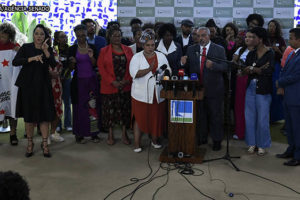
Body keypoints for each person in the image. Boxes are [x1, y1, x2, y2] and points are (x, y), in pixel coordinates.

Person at [13, 24, 56, 158]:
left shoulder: (48, 49)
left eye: (41, 34)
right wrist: (31, 59)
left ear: (45, 36)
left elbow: (53, 65)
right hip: (28, 87)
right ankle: (30, 144)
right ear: (33, 35)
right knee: (29, 117)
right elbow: (16, 61)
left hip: (43, 87)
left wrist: (46, 51)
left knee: (44, 117)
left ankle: (44, 144)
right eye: (36, 33)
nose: (39, 36)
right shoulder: (26, 47)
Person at [181, 27, 228, 151]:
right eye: (198, 36)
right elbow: (187, 68)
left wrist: (213, 65)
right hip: (197, 89)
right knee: (200, 115)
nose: (200, 38)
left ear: (209, 36)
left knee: (215, 116)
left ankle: (217, 140)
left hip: (214, 89)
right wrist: (183, 63)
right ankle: (202, 138)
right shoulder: (191, 49)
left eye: (203, 35)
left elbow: (225, 67)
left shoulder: (219, 49)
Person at [129, 30, 171, 153]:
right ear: (142, 45)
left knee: (156, 118)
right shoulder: (136, 57)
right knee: (139, 118)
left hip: (157, 94)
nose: (150, 47)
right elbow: (134, 74)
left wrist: (166, 74)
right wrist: (149, 69)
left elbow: (168, 69)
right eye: (148, 45)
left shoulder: (161, 55)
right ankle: (137, 144)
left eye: (152, 45)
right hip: (140, 95)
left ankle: (154, 140)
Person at [97, 27, 133, 145]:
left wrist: (126, 80)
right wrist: (113, 82)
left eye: (119, 35)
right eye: (114, 36)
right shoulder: (103, 51)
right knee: (110, 112)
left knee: (124, 110)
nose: (117, 38)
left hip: (125, 85)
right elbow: (101, 69)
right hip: (109, 86)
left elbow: (132, 66)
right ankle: (110, 134)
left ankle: (124, 134)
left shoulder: (128, 50)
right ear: (109, 37)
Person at [243, 27, 274, 155]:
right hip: (250, 87)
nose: (251, 39)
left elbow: (269, 71)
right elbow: (247, 69)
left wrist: (256, 70)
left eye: (253, 37)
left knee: (262, 119)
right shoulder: (251, 54)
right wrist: (256, 69)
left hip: (263, 89)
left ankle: (262, 144)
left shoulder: (270, 53)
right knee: (249, 117)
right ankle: (252, 143)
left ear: (260, 39)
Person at [68, 24, 100, 144]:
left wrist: (91, 57)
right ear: (75, 36)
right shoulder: (72, 49)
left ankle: (94, 133)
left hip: (91, 82)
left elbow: (95, 64)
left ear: (87, 35)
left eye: (83, 35)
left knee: (93, 107)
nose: (81, 38)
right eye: (78, 36)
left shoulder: (92, 47)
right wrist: (72, 62)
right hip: (78, 83)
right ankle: (79, 134)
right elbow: (71, 68)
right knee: (79, 109)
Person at [276, 28, 300, 166]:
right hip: (289, 96)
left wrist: (280, 82)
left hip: (296, 97)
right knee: (290, 127)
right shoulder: (293, 53)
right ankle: (291, 149)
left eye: (291, 38)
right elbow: (285, 70)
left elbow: (296, 75)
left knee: (297, 128)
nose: (288, 40)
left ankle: (298, 155)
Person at [232, 31, 255, 140]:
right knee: (240, 106)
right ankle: (240, 131)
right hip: (241, 79)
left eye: (250, 37)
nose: (247, 39)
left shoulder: (258, 51)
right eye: (246, 37)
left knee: (251, 107)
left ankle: (251, 133)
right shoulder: (240, 50)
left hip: (253, 80)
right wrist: (237, 64)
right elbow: (233, 62)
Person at [0, 22, 20, 145]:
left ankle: (13, 134)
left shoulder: (15, 47)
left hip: (11, 84)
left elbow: (22, 62)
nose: (1, 38)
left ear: (10, 36)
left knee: (13, 110)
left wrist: (20, 50)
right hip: (0, 84)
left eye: (3, 36)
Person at [45, 28, 64, 143]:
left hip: (56, 84)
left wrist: (58, 72)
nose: (49, 39)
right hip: (44, 85)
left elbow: (59, 64)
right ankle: (45, 135)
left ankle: (53, 132)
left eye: (50, 37)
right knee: (45, 110)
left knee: (58, 109)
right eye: (47, 37)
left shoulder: (54, 52)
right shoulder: (38, 52)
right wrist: (49, 73)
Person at [267, 19, 286, 123]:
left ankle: (276, 117)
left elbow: (284, 56)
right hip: (266, 65)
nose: (271, 28)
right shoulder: (264, 39)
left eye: (274, 26)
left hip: (277, 66)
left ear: (277, 28)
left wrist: (277, 50)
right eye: (270, 26)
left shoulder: (281, 39)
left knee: (275, 89)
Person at [54, 31, 73, 132]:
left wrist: (65, 75)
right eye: (62, 37)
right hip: (56, 79)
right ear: (57, 39)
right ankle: (58, 124)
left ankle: (68, 123)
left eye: (65, 36)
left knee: (67, 102)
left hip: (67, 78)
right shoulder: (54, 50)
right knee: (58, 102)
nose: (64, 38)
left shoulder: (70, 49)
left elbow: (71, 65)